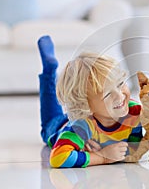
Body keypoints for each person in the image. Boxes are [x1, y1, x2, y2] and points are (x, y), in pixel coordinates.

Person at [38, 35, 143, 168]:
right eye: (107, 94)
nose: (120, 96)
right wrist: (102, 156)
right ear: (86, 106)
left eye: (120, 83)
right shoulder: (82, 126)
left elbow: (134, 148)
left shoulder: (134, 111)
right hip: (61, 126)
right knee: (50, 122)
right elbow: (58, 158)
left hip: (86, 116)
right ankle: (49, 72)